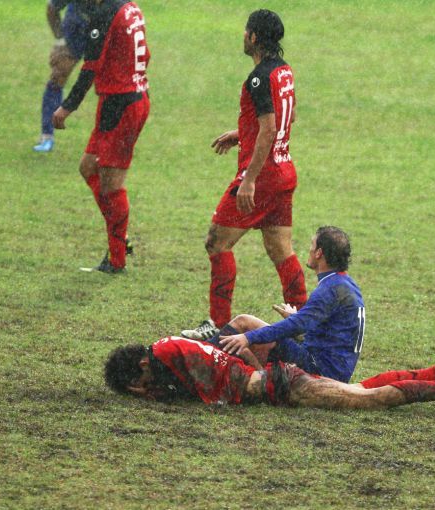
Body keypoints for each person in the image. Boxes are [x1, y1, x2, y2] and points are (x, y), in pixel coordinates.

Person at [181, 9, 306, 341]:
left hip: (261, 178)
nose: (243, 36)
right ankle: (303, 323)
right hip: (283, 171)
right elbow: (286, 118)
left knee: (217, 243)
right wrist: (243, 133)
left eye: (245, 31)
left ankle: (218, 325)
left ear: (253, 37)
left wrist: (249, 179)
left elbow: (269, 128)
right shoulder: (283, 71)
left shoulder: (258, 78)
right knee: (281, 249)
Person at [104, 337, 435, 414]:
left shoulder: (163, 355)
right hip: (279, 380)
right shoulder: (169, 349)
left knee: (367, 400)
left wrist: (148, 391)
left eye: (137, 385)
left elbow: (176, 390)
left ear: (142, 367)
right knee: (357, 388)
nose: (143, 391)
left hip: (283, 385)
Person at [52, 0, 151, 274]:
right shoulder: (130, 6)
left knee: (111, 185)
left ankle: (117, 258)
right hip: (123, 98)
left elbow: (89, 68)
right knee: (88, 168)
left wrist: (67, 107)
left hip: (122, 104)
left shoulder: (105, 14)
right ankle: (119, 234)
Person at [197, 226, 363, 383]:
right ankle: (251, 377)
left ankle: (196, 356)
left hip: (320, 369)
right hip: (334, 368)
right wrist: (297, 317)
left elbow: (294, 326)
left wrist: (248, 337)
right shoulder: (346, 284)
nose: (310, 250)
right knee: (259, 340)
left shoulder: (329, 289)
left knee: (244, 323)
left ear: (319, 253)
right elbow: (329, 331)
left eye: (312, 245)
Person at [34, 1, 91, 153]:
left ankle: (113, 139)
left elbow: (125, 10)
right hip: (75, 34)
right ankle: (47, 136)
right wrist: (60, 39)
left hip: (104, 34)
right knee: (57, 78)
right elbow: (51, 8)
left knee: (111, 85)